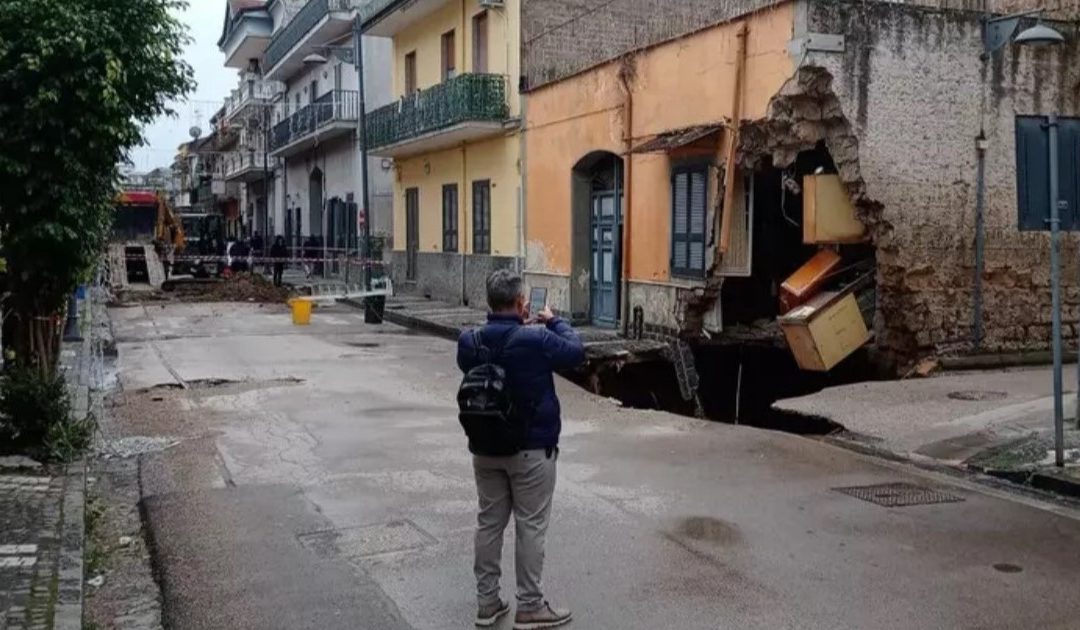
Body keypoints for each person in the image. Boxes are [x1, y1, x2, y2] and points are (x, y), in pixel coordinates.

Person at [457, 269, 584, 630]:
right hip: (531, 449)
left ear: (488, 302)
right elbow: (575, 352)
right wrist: (553, 321)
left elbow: (480, 349)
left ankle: (488, 603)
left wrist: (514, 320)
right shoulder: (536, 339)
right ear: (520, 302)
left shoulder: (470, 342)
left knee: (489, 523)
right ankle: (529, 605)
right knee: (530, 526)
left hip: (485, 446)